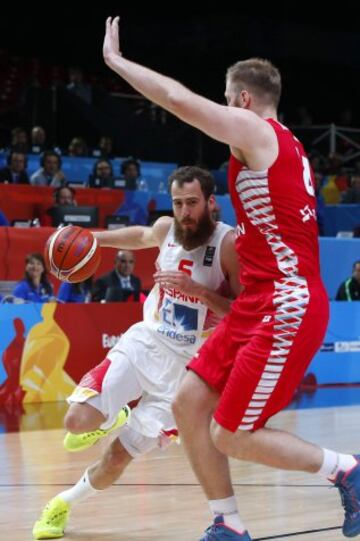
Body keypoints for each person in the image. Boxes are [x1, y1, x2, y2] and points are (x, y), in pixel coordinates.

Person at [101, 17, 360, 540]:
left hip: (285, 303)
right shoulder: (285, 147)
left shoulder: (258, 132)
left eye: (224, 99)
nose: (220, 108)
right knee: (188, 403)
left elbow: (177, 99)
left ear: (242, 100)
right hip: (259, 300)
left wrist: (118, 63)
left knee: (232, 433)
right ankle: (228, 522)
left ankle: (346, 468)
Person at [32, 165, 240, 540]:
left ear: (211, 203)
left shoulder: (229, 246)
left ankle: (61, 503)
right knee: (76, 422)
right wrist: (89, 238)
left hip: (189, 374)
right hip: (147, 342)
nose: (185, 212)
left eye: (192, 203)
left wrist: (200, 292)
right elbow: (140, 235)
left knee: (115, 460)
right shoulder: (167, 230)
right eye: (178, 203)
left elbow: (245, 313)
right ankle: (117, 412)